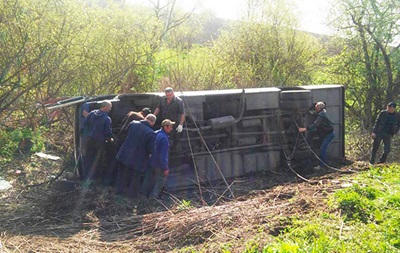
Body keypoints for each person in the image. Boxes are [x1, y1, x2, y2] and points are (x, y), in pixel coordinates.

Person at [115, 114, 156, 198]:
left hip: (123, 155)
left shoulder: (133, 124)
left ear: (145, 118)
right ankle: (131, 198)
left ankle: (119, 194)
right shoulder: (150, 133)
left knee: (122, 176)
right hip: (137, 160)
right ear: (153, 123)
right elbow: (151, 149)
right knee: (134, 180)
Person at [141, 119, 174, 199]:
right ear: (165, 127)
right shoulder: (164, 139)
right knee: (161, 179)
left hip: (151, 161)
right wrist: (165, 168)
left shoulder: (156, 133)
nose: (171, 129)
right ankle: (153, 197)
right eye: (170, 127)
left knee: (148, 178)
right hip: (158, 163)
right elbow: (163, 156)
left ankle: (142, 195)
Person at [83, 100, 114, 181]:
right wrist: (111, 139)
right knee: (97, 160)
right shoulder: (107, 119)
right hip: (99, 142)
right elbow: (108, 133)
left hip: (89, 140)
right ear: (106, 107)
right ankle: (95, 178)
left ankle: (86, 176)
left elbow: (85, 124)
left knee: (88, 157)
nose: (110, 109)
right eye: (110, 107)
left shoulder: (92, 113)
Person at [298, 101, 335, 168]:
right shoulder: (323, 112)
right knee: (322, 148)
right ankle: (324, 162)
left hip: (328, 134)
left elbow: (315, 124)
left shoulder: (321, 115)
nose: (315, 109)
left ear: (319, 108)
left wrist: (304, 129)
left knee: (322, 149)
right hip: (327, 133)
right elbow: (316, 114)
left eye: (316, 108)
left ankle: (322, 165)